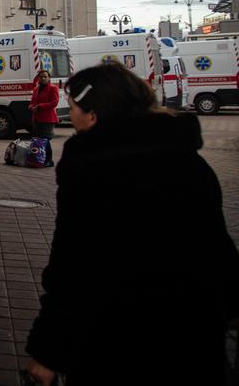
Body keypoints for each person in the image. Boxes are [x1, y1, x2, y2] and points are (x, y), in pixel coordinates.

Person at [24, 63, 239, 385]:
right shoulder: (188, 159)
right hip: (196, 328)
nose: (71, 114)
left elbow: (74, 265)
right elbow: (216, 247)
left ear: (95, 114)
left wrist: (48, 352)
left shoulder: (93, 168)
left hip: (118, 335)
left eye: (74, 107)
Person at [28, 69, 58, 165]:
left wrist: (40, 106)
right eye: (41, 77)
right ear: (38, 78)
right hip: (36, 118)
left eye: (45, 76)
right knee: (39, 140)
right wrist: (31, 107)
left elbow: (54, 103)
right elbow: (32, 101)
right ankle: (40, 159)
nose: (43, 78)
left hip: (48, 119)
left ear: (49, 78)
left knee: (45, 140)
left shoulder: (53, 88)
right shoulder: (36, 89)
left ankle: (49, 160)